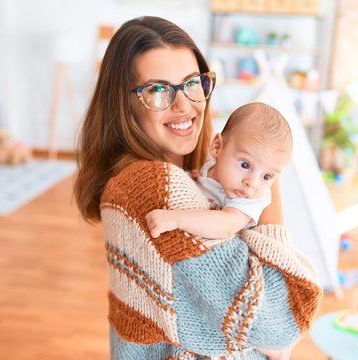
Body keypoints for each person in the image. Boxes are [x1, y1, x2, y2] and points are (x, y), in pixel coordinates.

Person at [74, 16, 322, 359]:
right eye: (158, 89)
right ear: (124, 103)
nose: (184, 105)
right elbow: (283, 320)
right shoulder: (152, 187)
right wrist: (270, 188)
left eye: (192, 83)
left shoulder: (193, 171)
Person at [145, 102, 292, 240]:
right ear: (216, 147)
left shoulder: (249, 202)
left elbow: (225, 226)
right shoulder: (211, 163)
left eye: (267, 176)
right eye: (245, 165)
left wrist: (176, 219)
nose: (252, 183)